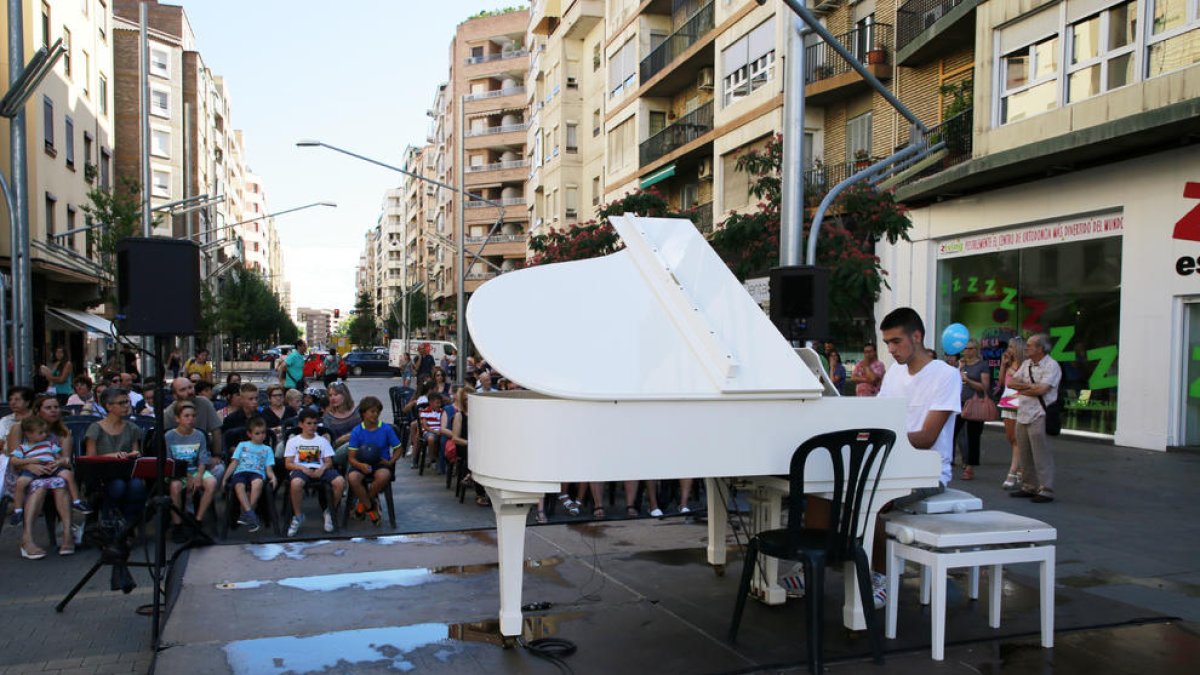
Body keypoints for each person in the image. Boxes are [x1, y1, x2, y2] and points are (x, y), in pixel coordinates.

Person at [1007, 333, 1061, 503]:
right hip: (1023, 412)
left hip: (1040, 413)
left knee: (1040, 453)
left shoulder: (1052, 366)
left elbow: (1042, 390)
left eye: (1030, 345)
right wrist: (1030, 387)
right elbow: (1011, 383)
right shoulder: (1027, 364)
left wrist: (1023, 389)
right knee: (1024, 452)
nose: (1026, 348)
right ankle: (1028, 486)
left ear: (1040, 348)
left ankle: (1046, 489)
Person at [11, 416, 73, 558]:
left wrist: (58, 463)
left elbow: (66, 462)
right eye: (48, 408)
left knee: (60, 484)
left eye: (56, 407)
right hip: (27, 475)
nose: (54, 411)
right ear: (38, 411)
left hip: (54, 472)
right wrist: (30, 465)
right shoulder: (23, 429)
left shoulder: (63, 433)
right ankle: (27, 540)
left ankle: (67, 535)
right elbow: (13, 461)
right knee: (39, 487)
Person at [83, 388, 145, 521]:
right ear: (109, 406)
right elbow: (89, 459)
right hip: (104, 475)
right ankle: (111, 520)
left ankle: (129, 523)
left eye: (127, 402)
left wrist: (134, 454)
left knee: (137, 486)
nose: (126, 405)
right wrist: (111, 455)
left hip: (126, 471)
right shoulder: (96, 428)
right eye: (121, 403)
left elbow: (137, 453)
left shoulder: (131, 427)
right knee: (118, 486)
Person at [284, 408, 344, 536]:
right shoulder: (293, 441)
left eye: (315, 423)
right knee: (295, 484)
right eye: (309, 423)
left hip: (320, 468)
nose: (312, 426)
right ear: (301, 424)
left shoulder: (322, 441)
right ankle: (298, 515)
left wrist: (321, 469)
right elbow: (288, 463)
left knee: (339, 482)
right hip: (300, 469)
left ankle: (329, 511)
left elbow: (329, 461)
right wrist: (301, 468)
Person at [165, 401, 216, 541]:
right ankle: (177, 524)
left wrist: (199, 475)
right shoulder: (169, 436)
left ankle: (198, 520)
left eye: (193, 416)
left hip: (195, 469)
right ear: (177, 418)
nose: (190, 419)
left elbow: (203, 457)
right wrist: (187, 476)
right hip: (177, 471)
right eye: (186, 416)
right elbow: (169, 460)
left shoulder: (199, 435)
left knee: (211, 482)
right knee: (175, 486)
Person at [347, 396, 401, 526]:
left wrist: (390, 461)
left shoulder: (386, 429)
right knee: (353, 478)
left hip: (380, 463)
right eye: (372, 411)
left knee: (384, 476)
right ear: (364, 413)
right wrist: (360, 465)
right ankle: (371, 508)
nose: (375, 414)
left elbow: (398, 449)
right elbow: (351, 457)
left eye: (377, 411)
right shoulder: (357, 431)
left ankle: (363, 504)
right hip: (362, 463)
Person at [163, 378, 225, 484]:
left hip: (202, 455)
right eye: (183, 390)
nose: (189, 392)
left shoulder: (205, 402)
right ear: (174, 395)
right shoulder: (169, 413)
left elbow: (216, 431)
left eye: (190, 387)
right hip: (180, 460)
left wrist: (216, 455)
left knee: (219, 469)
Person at [222, 416, 277, 532]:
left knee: (258, 483)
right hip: (241, 471)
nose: (261, 436)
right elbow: (234, 462)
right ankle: (251, 514)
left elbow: (268, 468)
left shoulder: (267, 449)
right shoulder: (242, 445)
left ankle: (248, 512)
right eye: (257, 433)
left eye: (263, 433)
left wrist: (273, 477)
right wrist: (225, 478)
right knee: (239, 485)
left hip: (257, 472)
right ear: (249, 434)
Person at [955, 339, 991, 481]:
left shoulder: (982, 365)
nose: (967, 351)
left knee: (973, 436)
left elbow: (984, 387)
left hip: (975, 403)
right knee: (953, 432)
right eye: (965, 349)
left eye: (970, 348)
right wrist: (959, 369)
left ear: (976, 349)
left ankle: (970, 467)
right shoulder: (962, 364)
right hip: (959, 403)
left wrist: (968, 380)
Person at [997, 337, 1026, 489]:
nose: (1009, 350)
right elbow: (1001, 382)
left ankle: (1012, 472)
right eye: (1009, 346)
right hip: (1006, 401)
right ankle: (1021, 469)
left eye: (1012, 347)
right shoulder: (1008, 363)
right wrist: (1003, 365)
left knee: (1017, 439)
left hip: (1020, 403)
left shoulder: (1026, 365)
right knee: (1011, 438)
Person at [322, 381, 361, 468]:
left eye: (336, 395)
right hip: (338, 451)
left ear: (344, 395)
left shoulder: (357, 411)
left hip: (360, 448)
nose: (332, 398)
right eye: (330, 395)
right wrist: (342, 439)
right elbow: (327, 445)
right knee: (350, 446)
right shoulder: (328, 418)